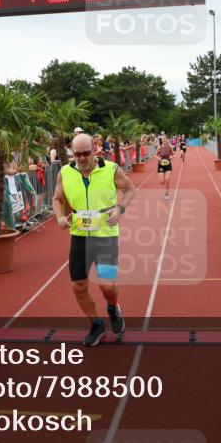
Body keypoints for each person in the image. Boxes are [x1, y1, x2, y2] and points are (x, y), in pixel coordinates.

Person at [52, 133, 137, 346]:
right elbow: (57, 199)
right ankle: (96, 325)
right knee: (78, 286)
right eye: (77, 154)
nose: (81, 158)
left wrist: (120, 207)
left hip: (106, 237)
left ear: (95, 150)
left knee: (107, 287)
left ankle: (112, 307)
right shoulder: (65, 172)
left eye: (85, 153)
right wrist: (60, 216)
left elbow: (129, 189)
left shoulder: (111, 169)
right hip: (80, 237)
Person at [155, 136, 174, 200]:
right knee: (162, 182)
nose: (163, 140)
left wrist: (171, 157)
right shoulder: (159, 147)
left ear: (166, 140)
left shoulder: (170, 147)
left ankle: (167, 194)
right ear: (161, 140)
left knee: (167, 179)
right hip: (161, 165)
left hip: (168, 164)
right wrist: (158, 158)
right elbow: (155, 155)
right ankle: (163, 183)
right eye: (162, 139)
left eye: (164, 139)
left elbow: (173, 154)